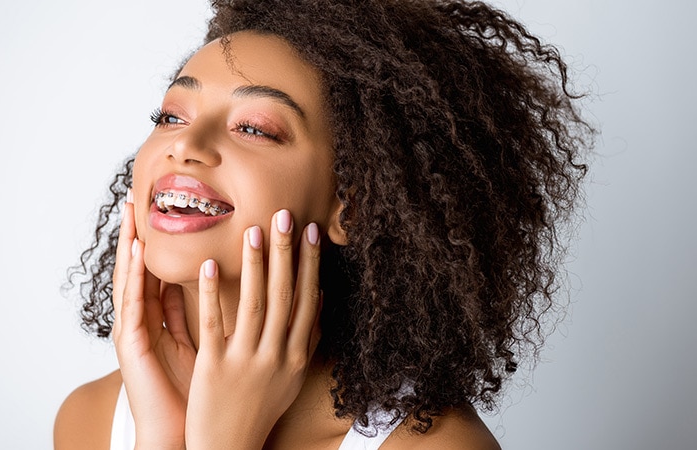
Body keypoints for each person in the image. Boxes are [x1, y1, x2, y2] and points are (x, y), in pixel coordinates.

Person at [54, 0, 593, 448]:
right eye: (171, 116)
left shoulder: (435, 445)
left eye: (254, 128)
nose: (185, 146)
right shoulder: (90, 421)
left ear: (351, 205)